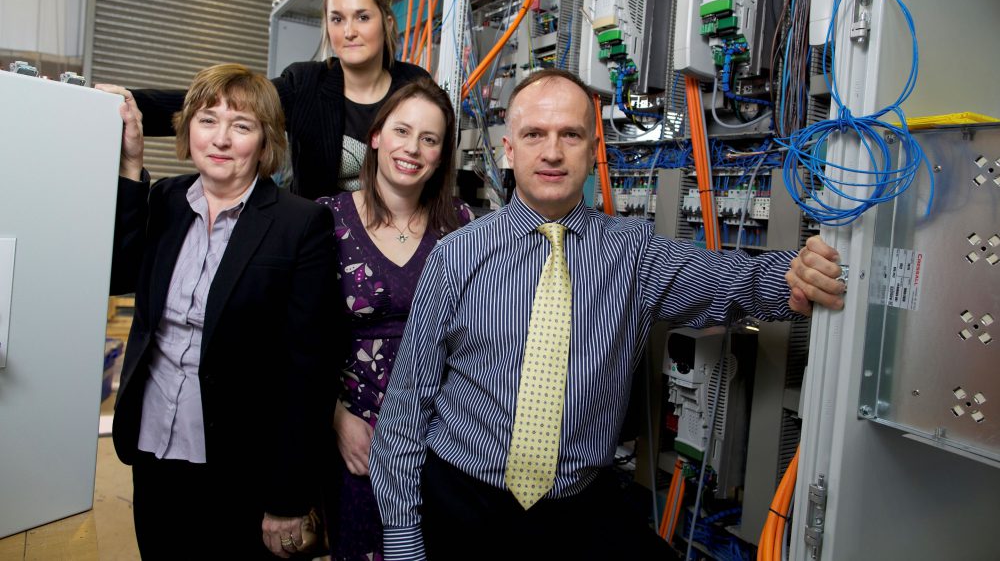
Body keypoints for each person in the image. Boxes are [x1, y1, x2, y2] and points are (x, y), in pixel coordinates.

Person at [368, 68, 847, 561]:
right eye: (534, 135)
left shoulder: (632, 253)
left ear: (593, 150)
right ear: (509, 149)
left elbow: (727, 279)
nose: (552, 152)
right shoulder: (457, 255)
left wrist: (795, 278)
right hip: (463, 499)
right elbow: (407, 404)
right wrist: (403, 539)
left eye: (570, 135)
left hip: (577, 505)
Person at [103, 64, 337, 559]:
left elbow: (308, 373)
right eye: (208, 120)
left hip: (240, 465)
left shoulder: (300, 223)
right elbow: (119, 273)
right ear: (188, 127)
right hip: (153, 445)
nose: (221, 139)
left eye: (242, 125)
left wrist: (288, 497)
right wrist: (131, 166)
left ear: (266, 141)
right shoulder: (167, 199)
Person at [97, 0, 430, 201]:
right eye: (337, 19)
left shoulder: (414, 88)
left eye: (363, 17)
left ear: (387, 23)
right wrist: (124, 105)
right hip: (320, 245)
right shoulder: (305, 83)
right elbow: (225, 104)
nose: (349, 31)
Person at [316, 77, 473, 561]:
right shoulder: (325, 220)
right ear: (376, 136)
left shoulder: (463, 226)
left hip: (442, 438)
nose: (412, 149)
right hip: (356, 435)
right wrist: (336, 417)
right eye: (402, 132)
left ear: (442, 155)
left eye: (429, 139)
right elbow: (298, 339)